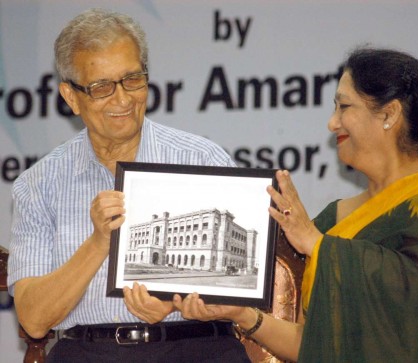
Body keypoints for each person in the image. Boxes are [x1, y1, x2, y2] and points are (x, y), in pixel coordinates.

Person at [173, 47, 418, 362]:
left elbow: (416, 307)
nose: (332, 123)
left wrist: (317, 244)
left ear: (389, 114)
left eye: (344, 107)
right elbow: (312, 345)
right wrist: (242, 314)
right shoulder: (334, 219)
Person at [7, 8, 251, 363]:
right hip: (88, 351)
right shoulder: (39, 183)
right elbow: (34, 319)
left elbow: (240, 278)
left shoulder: (202, 159)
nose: (122, 99)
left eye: (132, 80)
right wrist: (98, 243)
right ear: (71, 97)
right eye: (101, 87)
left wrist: (173, 302)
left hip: (196, 346)